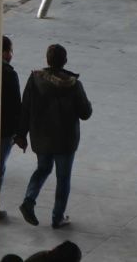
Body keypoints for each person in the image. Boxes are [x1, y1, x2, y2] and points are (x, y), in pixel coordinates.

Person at [19, 44, 93, 230]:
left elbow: (25, 108)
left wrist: (21, 134)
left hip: (41, 137)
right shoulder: (74, 85)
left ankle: (29, 199)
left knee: (42, 169)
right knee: (63, 178)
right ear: (65, 61)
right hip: (65, 140)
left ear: (47, 60)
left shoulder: (35, 80)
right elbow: (85, 113)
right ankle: (57, 217)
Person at [0, 34, 27, 221]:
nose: (11, 54)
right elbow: (17, 106)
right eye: (10, 50)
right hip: (4, 130)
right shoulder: (9, 74)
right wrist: (20, 133)